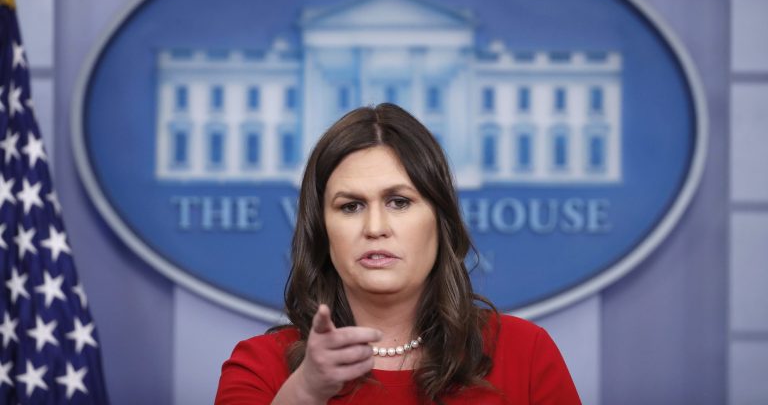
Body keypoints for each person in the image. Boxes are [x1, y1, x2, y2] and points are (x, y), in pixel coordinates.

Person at [215, 103, 581, 404]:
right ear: (322, 231)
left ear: (440, 221)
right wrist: (305, 391)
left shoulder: (525, 353)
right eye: (350, 206)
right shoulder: (259, 366)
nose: (375, 227)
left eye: (399, 202)